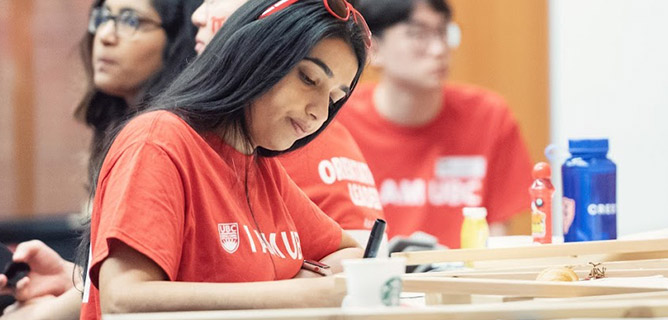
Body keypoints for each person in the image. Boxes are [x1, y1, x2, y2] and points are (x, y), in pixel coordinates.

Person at [79, 0, 370, 317]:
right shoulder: (158, 141)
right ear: (255, 54)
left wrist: (298, 286)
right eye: (309, 79)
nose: (319, 111)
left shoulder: (259, 167)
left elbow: (348, 251)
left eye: (333, 98)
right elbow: (123, 299)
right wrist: (294, 293)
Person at [1, 0, 200, 318]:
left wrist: (45, 314)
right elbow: (127, 272)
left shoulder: (160, 138)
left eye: (131, 21)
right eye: (104, 17)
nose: (106, 35)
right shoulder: (118, 126)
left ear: (179, 38)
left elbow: (148, 289)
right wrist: (73, 275)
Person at [343, 0, 533, 248]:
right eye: (418, 34)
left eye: (443, 32)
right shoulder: (339, 122)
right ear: (373, 48)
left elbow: (496, 238)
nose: (439, 49)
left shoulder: (488, 117)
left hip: (464, 282)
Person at [193, 0, 385, 246]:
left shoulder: (272, 151)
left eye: (333, 99)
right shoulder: (172, 139)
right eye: (308, 79)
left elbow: (351, 259)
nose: (198, 15)